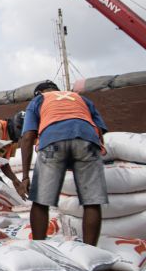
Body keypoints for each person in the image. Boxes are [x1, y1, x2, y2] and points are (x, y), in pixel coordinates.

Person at [18, 80, 108, 245]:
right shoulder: (81, 99)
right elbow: (99, 130)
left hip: (52, 141)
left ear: (39, 92)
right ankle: (90, 253)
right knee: (92, 202)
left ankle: (40, 248)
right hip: (88, 141)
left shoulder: (39, 100)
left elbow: (28, 136)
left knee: (40, 201)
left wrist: (25, 177)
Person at [0, 110, 27, 198]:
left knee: (4, 191)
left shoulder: (14, 141)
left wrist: (15, 180)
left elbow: (4, 163)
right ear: (18, 127)